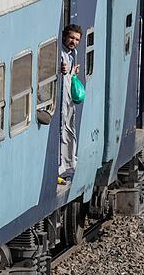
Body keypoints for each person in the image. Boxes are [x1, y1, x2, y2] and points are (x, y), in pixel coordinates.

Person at [59, 24, 82, 184]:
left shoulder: (72, 54)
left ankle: (69, 164)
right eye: (71, 38)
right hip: (62, 101)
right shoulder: (60, 54)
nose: (74, 42)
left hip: (68, 101)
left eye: (77, 39)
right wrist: (60, 69)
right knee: (63, 130)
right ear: (64, 37)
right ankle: (63, 165)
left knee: (69, 130)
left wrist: (73, 72)